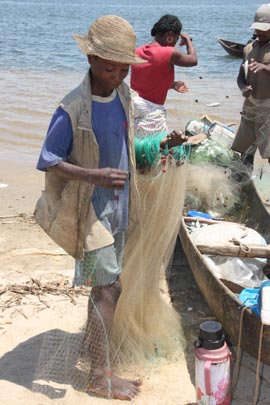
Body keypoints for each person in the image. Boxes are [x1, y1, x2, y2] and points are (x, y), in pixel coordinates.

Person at [34, 15, 188, 401]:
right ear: (89, 59)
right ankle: (99, 377)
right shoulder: (71, 108)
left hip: (119, 208)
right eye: (108, 67)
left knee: (106, 287)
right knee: (106, 290)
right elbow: (49, 159)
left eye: (123, 69)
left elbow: (126, 150)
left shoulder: (122, 97)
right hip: (90, 213)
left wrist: (161, 146)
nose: (117, 75)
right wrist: (95, 176)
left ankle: (92, 355)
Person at [231, 3, 270, 171]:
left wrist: (265, 67)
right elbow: (240, 76)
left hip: (269, 111)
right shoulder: (249, 48)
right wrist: (243, 88)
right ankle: (245, 187)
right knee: (245, 152)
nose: (259, 33)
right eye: (257, 29)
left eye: (264, 29)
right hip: (250, 109)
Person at [130, 14, 198, 106]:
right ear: (169, 35)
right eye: (177, 38)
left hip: (132, 106)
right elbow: (193, 60)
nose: (175, 43)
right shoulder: (168, 53)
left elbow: (148, 83)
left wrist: (173, 85)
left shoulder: (138, 52)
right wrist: (187, 40)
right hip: (152, 111)